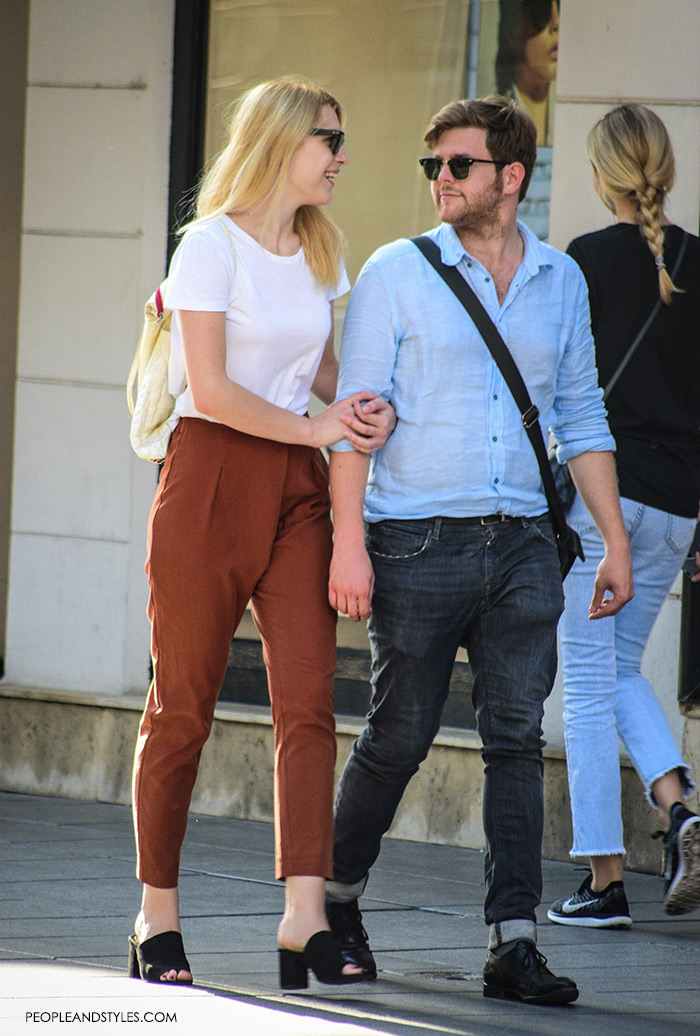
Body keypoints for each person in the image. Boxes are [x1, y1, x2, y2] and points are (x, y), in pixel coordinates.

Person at [324, 95, 633, 1007]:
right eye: (435, 168)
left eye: (459, 166)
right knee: (398, 736)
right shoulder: (396, 273)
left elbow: (581, 416)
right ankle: (334, 903)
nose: (443, 183)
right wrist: (351, 543)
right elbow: (352, 423)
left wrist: (612, 540)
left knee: (514, 742)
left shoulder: (560, 281)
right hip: (417, 538)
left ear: (512, 178)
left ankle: (515, 940)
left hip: (529, 543)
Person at [128, 76, 395, 989]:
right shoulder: (208, 247)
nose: (342, 155)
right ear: (284, 140)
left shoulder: (322, 251)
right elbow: (210, 389)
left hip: (296, 491)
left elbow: (321, 374)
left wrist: (357, 409)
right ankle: (155, 916)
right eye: (330, 137)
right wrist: (318, 428)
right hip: (209, 476)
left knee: (310, 703)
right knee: (182, 708)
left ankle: (305, 921)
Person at [547, 104, 700, 930]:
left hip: (605, 503)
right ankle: (681, 814)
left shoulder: (585, 262)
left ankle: (605, 882)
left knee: (588, 677)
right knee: (619, 668)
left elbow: (564, 387)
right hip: (679, 505)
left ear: (603, 175)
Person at [495, 0, 559, 146]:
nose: (557, 24)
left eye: (561, 11)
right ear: (512, 27)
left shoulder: (566, 113)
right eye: (542, 14)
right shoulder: (495, 118)